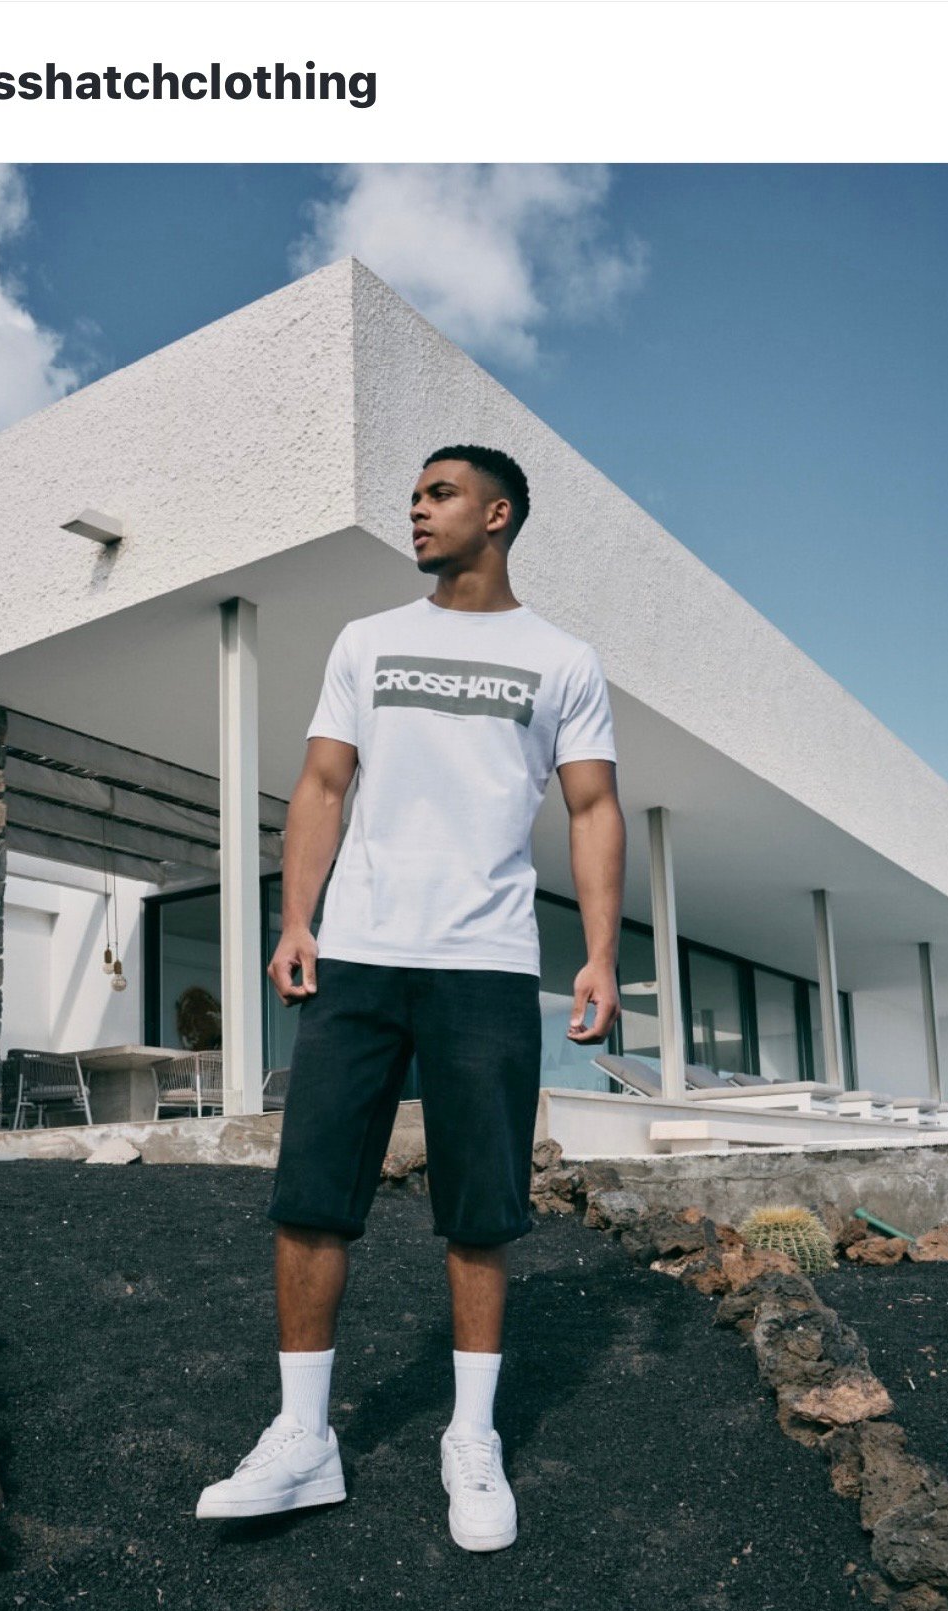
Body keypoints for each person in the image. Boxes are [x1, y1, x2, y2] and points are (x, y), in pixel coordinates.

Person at [196, 445, 625, 1551]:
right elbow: (323, 783)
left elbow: (591, 809)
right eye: (415, 497)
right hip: (362, 954)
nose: (417, 512)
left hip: (485, 964)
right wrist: (299, 920)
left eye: (438, 496)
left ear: (498, 514)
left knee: (479, 1211)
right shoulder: (369, 641)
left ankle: (470, 1441)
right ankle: (303, 1441)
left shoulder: (563, 660)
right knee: (310, 1195)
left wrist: (601, 952)